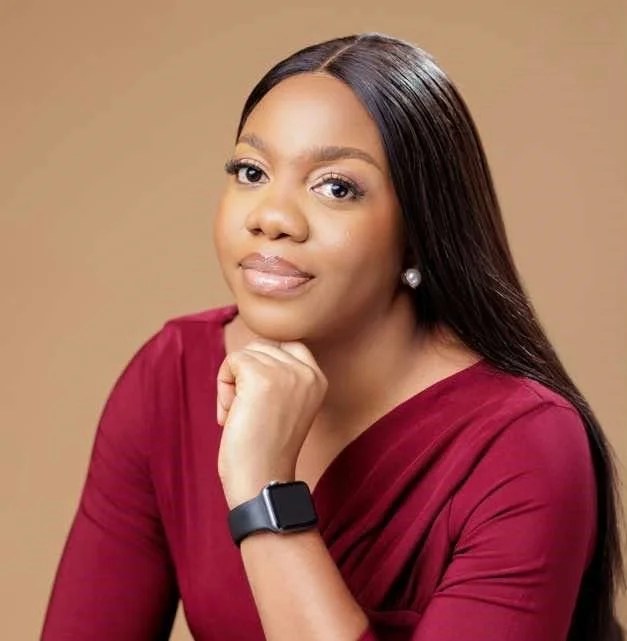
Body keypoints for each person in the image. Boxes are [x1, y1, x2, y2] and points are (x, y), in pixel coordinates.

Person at [40, 33, 622, 641]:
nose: (271, 217)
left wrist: (263, 490)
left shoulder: (522, 444)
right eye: (251, 171)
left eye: (336, 187)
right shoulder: (171, 376)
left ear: (420, 232)